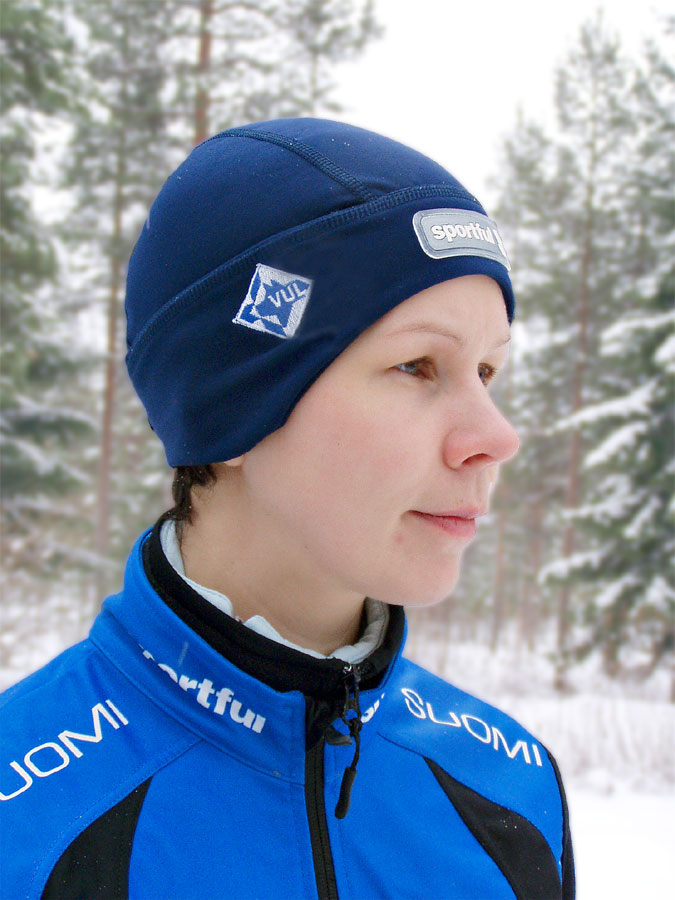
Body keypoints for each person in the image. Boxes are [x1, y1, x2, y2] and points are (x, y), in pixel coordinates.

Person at [0, 118, 574, 900]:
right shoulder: (26, 821)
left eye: (485, 372)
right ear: (231, 408)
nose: (496, 437)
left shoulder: (510, 787)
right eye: (415, 365)